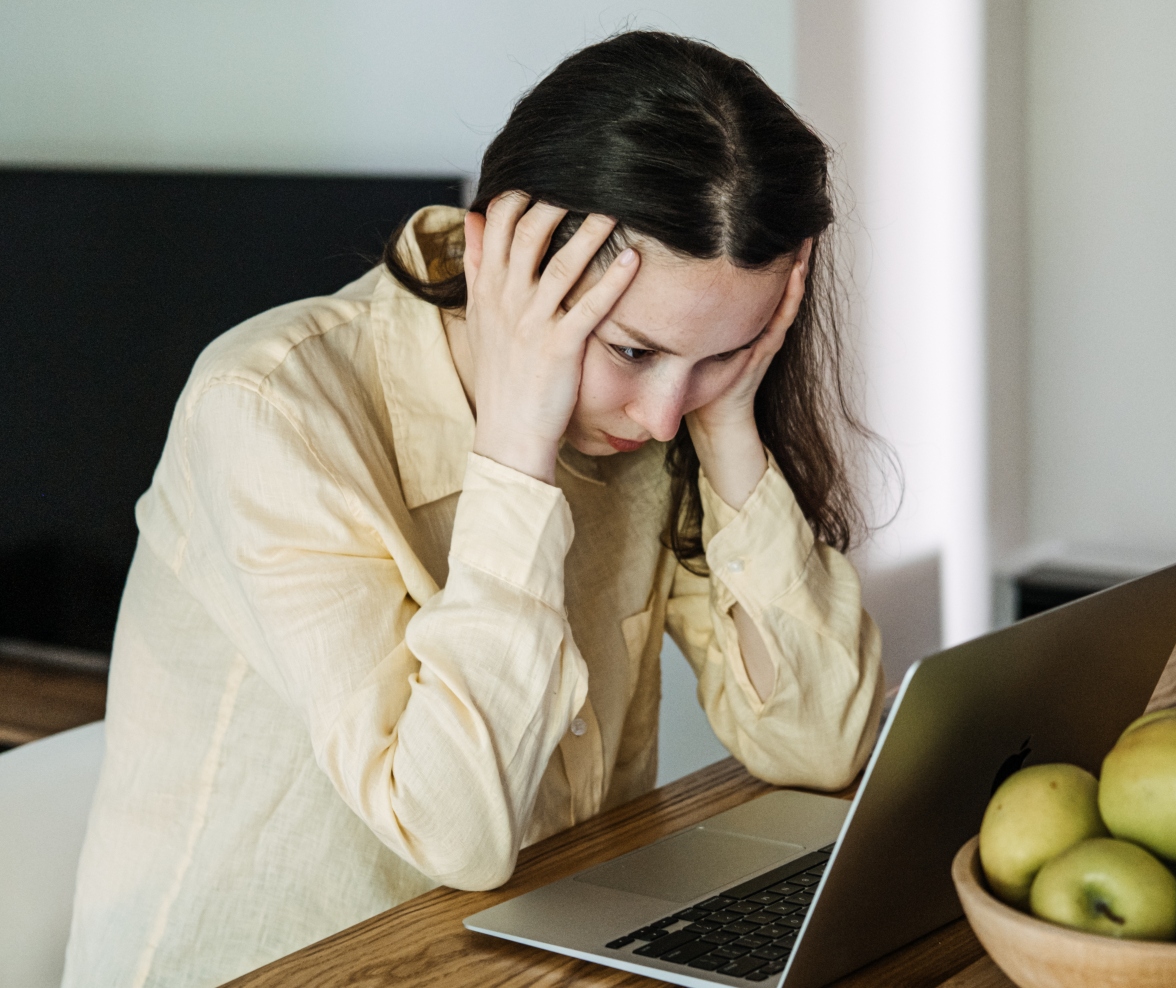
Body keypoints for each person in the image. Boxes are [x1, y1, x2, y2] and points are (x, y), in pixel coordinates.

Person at [62, 31, 884, 988]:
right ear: (507, 260)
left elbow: (821, 745)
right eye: (631, 351)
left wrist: (733, 423)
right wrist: (517, 452)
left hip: (522, 952)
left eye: (720, 354)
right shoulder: (268, 410)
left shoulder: (668, 420)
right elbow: (455, 835)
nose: (664, 415)